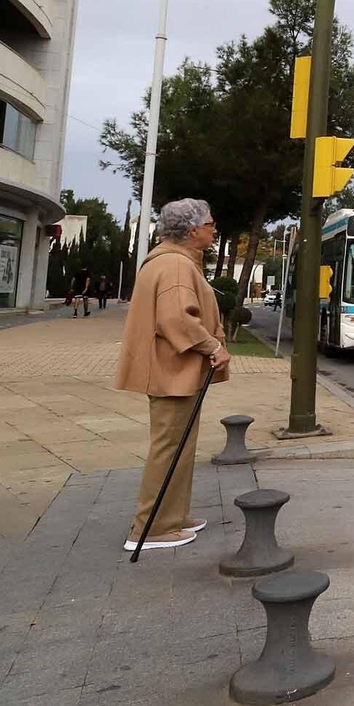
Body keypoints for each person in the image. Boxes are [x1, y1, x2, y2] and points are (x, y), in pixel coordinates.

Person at [114, 199, 230, 551]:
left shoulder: (171, 261)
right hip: (171, 370)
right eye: (210, 224)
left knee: (178, 446)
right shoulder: (176, 266)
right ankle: (150, 528)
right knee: (169, 447)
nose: (214, 228)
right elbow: (177, 319)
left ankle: (172, 515)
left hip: (172, 369)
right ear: (192, 230)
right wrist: (213, 347)